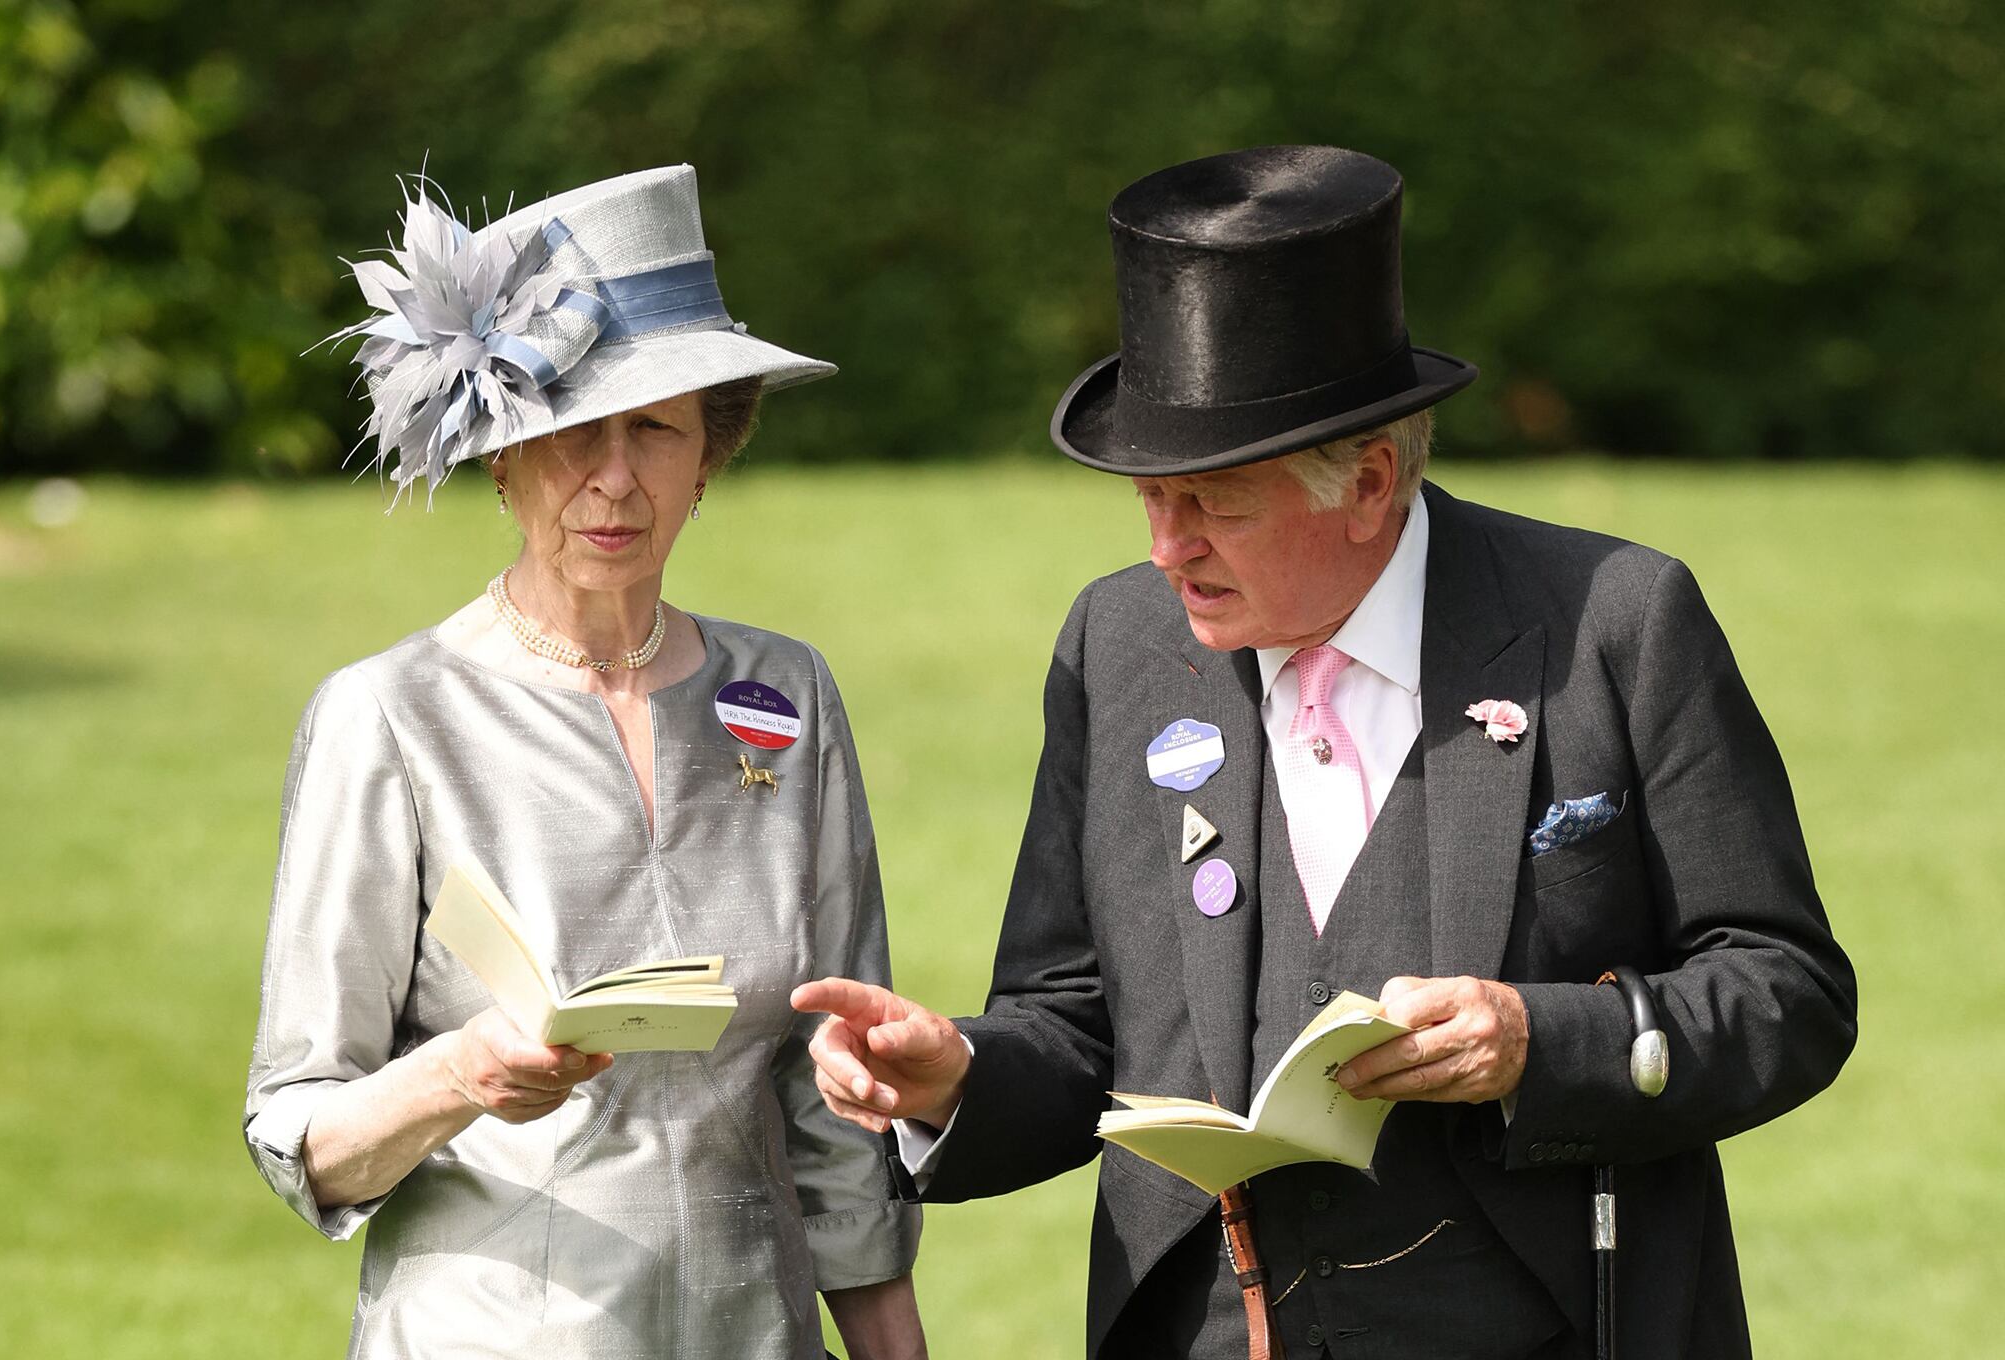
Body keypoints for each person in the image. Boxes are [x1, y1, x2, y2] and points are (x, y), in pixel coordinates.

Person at [794, 146, 1857, 1358]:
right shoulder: (1118, 641)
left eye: (1217, 503)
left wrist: (1538, 1041)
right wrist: (955, 1076)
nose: (1167, 548)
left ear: (1367, 482)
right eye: (1149, 497)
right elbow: (1078, 1019)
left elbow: (1789, 991)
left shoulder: (1617, 621)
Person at [243, 166, 924, 1359]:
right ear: (499, 458)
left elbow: (835, 1096)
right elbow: (303, 1133)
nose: (615, 476)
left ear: (710, 454)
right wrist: (460, 1073)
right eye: (571, 430)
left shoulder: (791, 692)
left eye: (656, 427)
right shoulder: (389, 716)